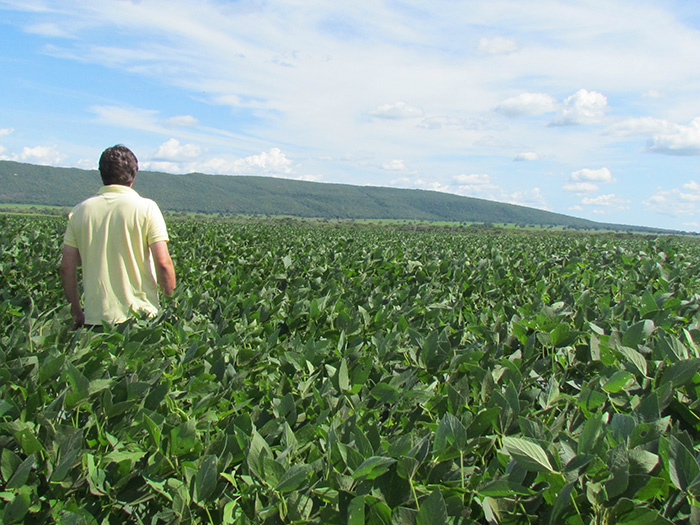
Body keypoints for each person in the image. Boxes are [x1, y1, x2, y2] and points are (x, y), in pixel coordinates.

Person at [60, 145, 176, 328]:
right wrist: (172, 306)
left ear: (102, 174)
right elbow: (163, 263)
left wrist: (76, 311)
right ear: (133, 175)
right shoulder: (146, 208)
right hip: (141, 318)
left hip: (96, 319)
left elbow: (67, 268)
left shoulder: (80, 211)